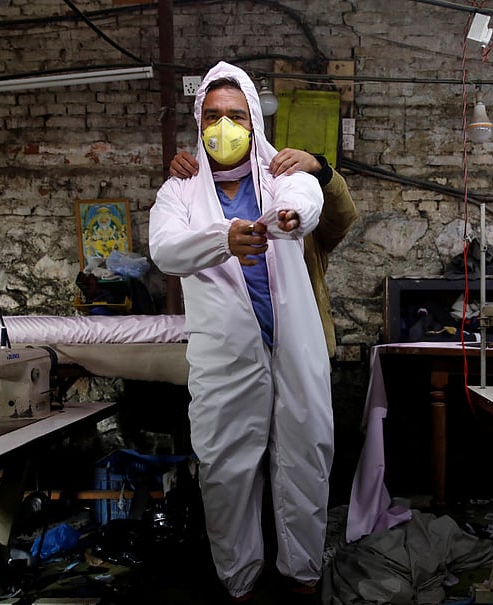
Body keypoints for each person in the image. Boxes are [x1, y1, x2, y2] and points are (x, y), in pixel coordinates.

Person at [148, 61, 333, 603]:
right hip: (226, 357)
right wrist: (222, 239)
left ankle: (302, 576)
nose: (222, 127)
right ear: (197, 120)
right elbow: (164, 249)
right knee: (225, 471)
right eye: (211, 115)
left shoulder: (281, 173)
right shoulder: (179, 191)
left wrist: (291, 216)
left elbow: (308, 199)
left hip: (293, 348)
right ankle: (240, 583)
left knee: (306, 455)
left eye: (234, 115)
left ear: (254, 120)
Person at [169, 147, 357, 358]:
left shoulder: (295, 198)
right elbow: (172, 247)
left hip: (304, 350)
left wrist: (320, 170)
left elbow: (343, 218)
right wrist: (188, 177)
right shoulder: (199, 196)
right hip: (229, 355)